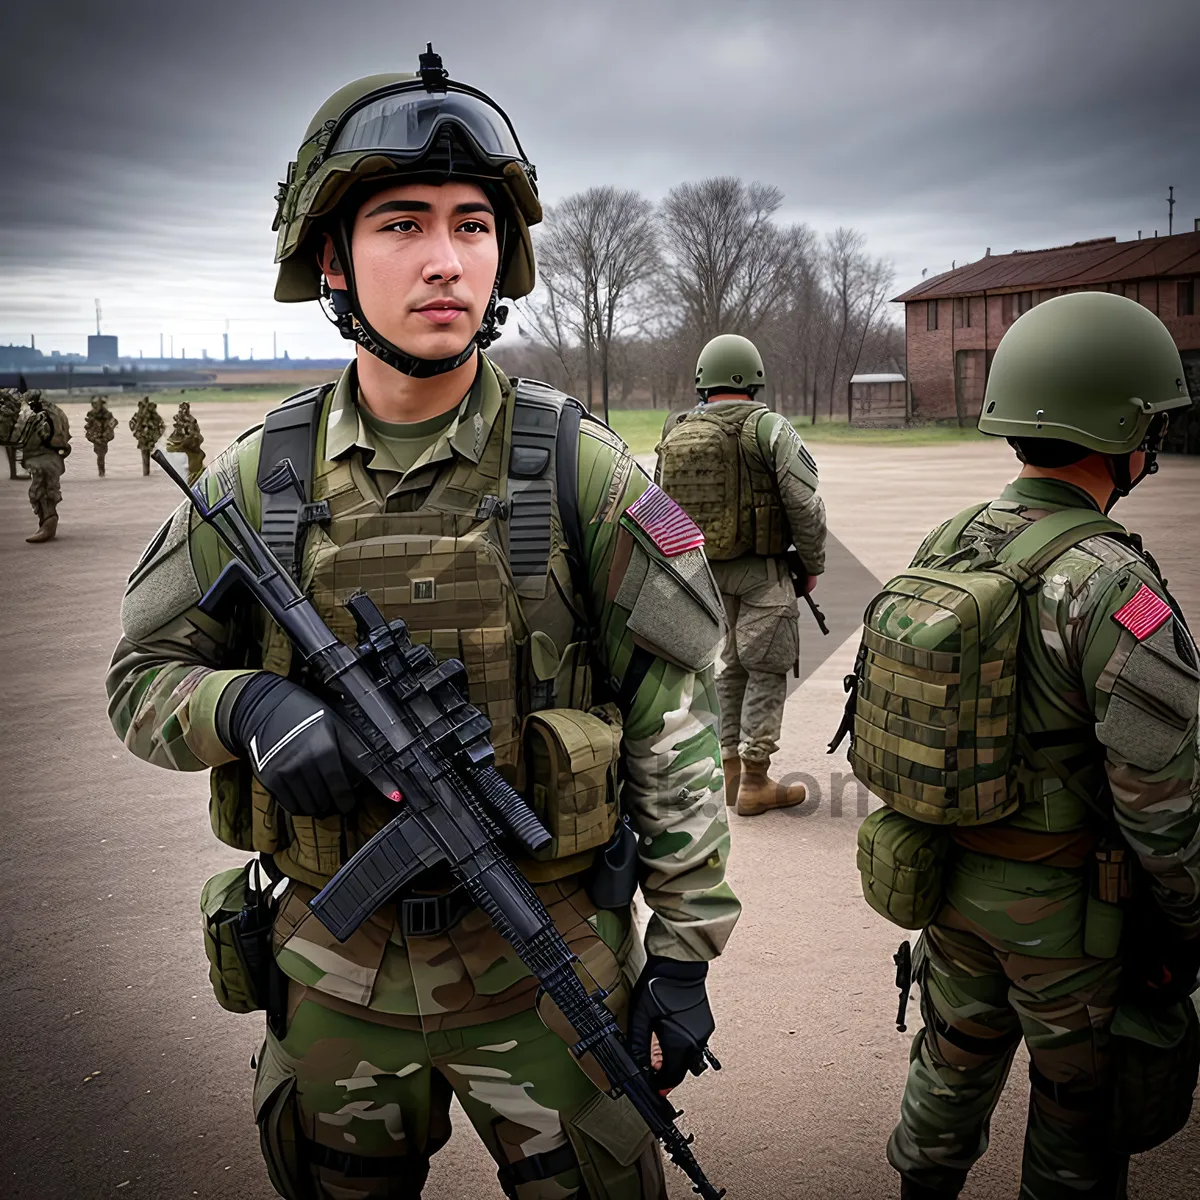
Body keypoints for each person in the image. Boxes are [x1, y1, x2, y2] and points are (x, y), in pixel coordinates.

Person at [107, 50, 738, 1200]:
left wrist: (687, 953)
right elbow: (140, 679)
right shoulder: (262, 481)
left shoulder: (576, 471)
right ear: (335, 260)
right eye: (403, 223)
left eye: (472, 224)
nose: (447, 259)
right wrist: (244, 705)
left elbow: (675, 718)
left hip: (545, 976)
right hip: (332, 982)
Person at [868, 293, 1200, 1199]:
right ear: (1127, 430)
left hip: (946, 880)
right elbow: (1162, 797)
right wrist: (1185, 920)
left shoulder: (952, 540)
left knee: (951, 1061)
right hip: (1070, 915)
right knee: (1074, 1117)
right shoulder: (1117, 587)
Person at [656, 334, 826, 816]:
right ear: (753, 379)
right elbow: (805, 505)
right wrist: (811, 565)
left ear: (703, 382)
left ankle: (728, 771)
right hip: (761, 571)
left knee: (731, 664)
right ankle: (755, 780)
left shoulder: (679, 427)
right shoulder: (769, 428)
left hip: (701, 574)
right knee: (767, 668)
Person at [0, 388, 71, 542]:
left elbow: (13, 435)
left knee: (41, 490)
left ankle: (48, 524)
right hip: (42, 455)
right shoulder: (45, 410)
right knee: (40, 490)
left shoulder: (34, 414)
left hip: (44, 457)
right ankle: (46, 523)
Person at [166, 399, 205, 481]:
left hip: (190, 443)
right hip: (187, 444)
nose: (184, 410)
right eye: (182, 408)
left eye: (186, 408)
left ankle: (195, 476)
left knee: (199, 456)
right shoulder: (182, 420)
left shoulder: (191, 420)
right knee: (197, 457)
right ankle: (193, 477)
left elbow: (195, 430)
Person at [129, 395, 165, 475]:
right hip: (145, 439)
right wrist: (137, 433)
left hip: (149, 438)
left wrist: (156, 436)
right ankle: (146, 473)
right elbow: (132, 424)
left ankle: (147, 473)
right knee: (146, 456)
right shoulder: (139, 415)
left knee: (148, 456)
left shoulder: (154, 416)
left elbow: (162, 426)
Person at [84, 395, 118, 477]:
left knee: (101, 455)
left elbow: (114, 422)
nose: (96, 406)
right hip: (96, 437)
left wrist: (106, 433)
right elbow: (88, 427)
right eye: (94, 404)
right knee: (100, 455)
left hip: (104, 437)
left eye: (97, 404)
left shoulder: (107, 414)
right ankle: (101, 473)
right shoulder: (92, 414)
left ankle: (101, 473)